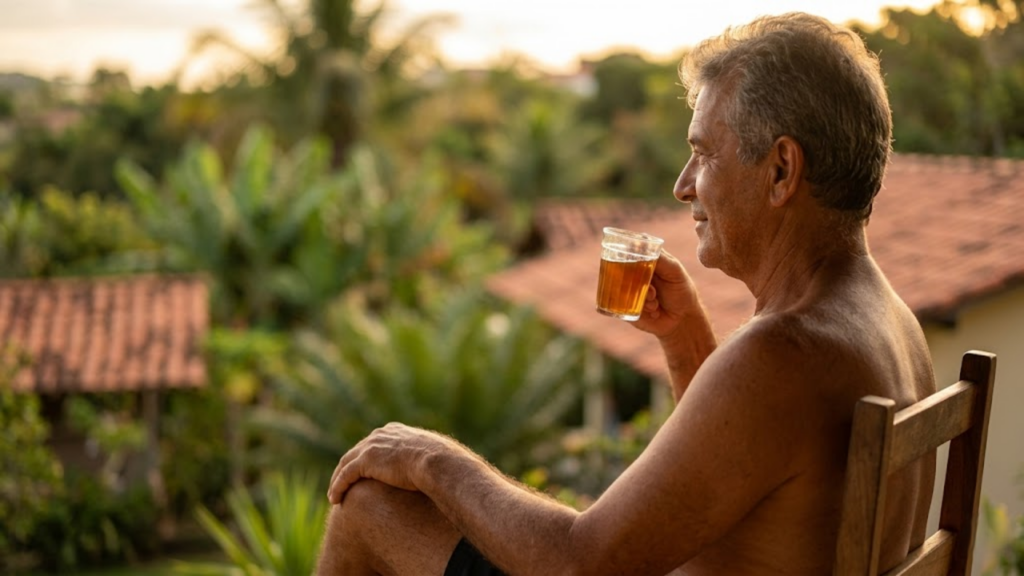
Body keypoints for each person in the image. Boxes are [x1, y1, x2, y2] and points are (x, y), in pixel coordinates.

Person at [316, 12, 937, 576]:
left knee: (369, 507)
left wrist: (432, 461)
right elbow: (749, 477)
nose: (682, 186)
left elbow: (582, 564)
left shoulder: (782, 352)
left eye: (701, 154)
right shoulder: (888, 324)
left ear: (780, 170)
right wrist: (687, 339)